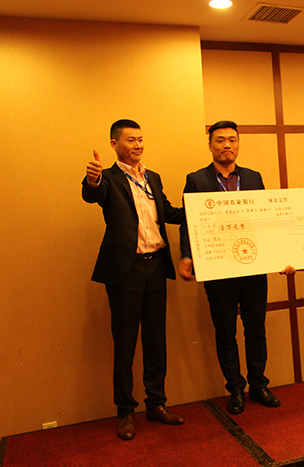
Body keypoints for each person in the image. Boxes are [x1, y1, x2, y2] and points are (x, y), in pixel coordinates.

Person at [178, 120, 294, 415]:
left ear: (238, 144)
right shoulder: (196, 179)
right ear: (210, 145)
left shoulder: (253, 177)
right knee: (225, 331)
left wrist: (281, 256)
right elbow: (188, 221)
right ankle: (235, 389)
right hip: (218, 268)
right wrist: (188, 255)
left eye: (232, 139)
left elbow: (267, 221)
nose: (227, 145)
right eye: (220, 140)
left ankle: (259, 385)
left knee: (256, 328)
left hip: (253, 267)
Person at [82, 119, 186, 440]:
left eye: (140, 139)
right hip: (125, 271)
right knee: (125, 342)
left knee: (156, 340)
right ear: (115, 144)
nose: (138, 145)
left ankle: (156, 403)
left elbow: (168, 212)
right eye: (130, 140)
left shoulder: (153, 177)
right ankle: (125, 411)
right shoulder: (108, 178)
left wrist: (205, 210)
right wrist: (92, 181)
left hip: (155, 267)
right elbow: (92, 194)